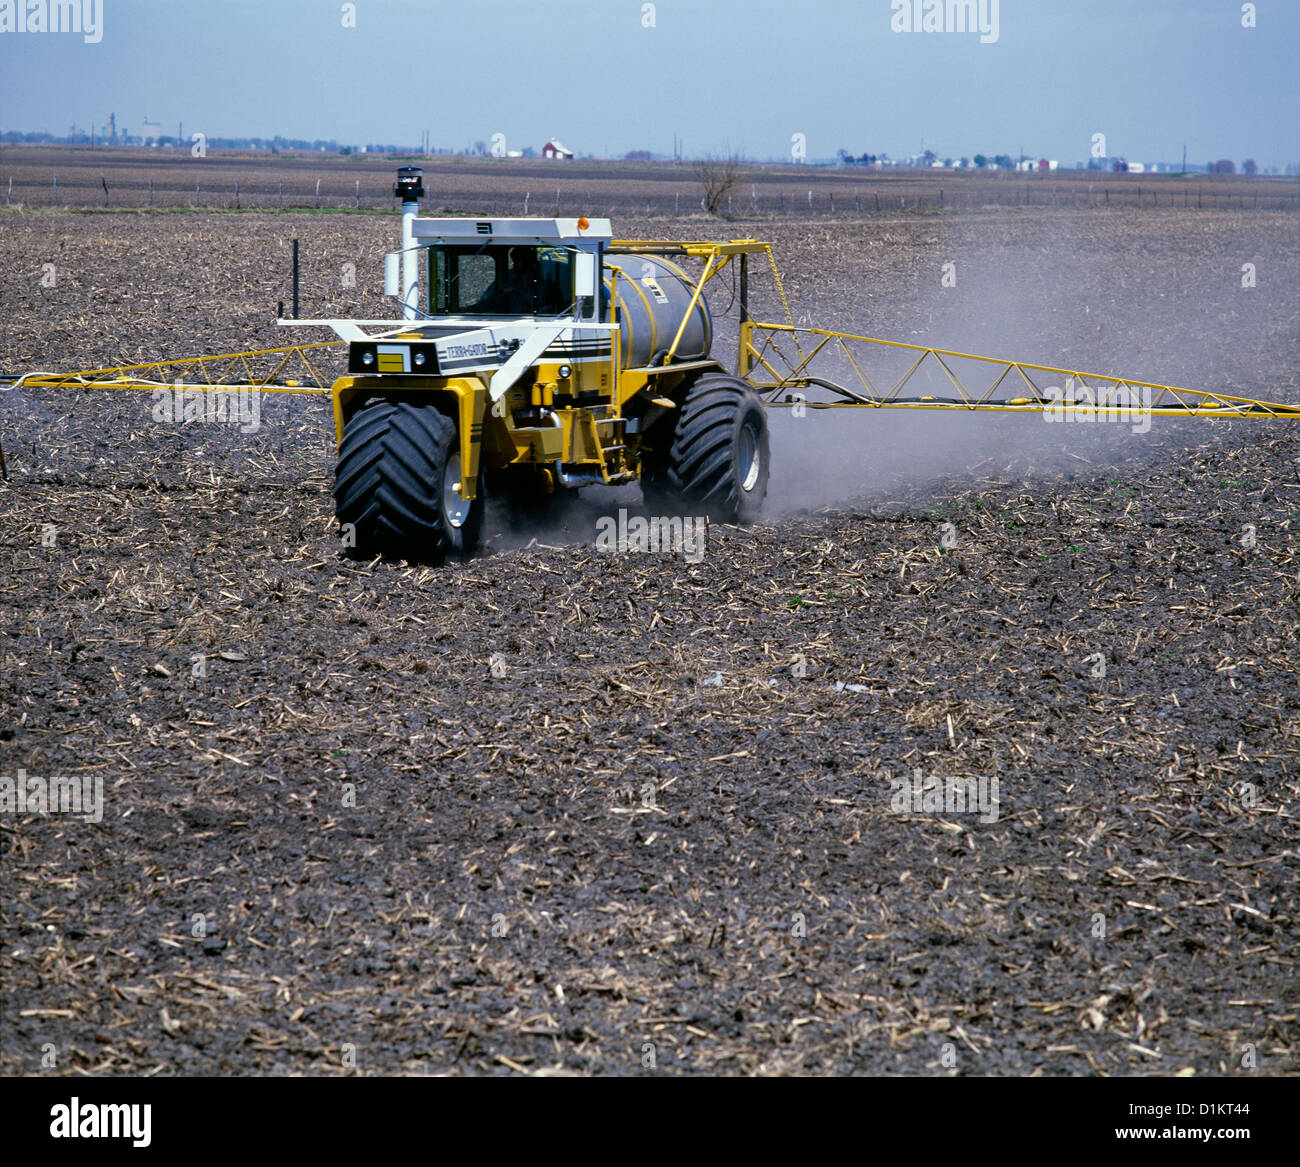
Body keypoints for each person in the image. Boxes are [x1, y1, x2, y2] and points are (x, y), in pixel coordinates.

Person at [477, 247, 561, 314]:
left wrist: (517, 293)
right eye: (514, 261)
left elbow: (546, 309)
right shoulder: (510, 282)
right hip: (507, 321)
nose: (514, 264)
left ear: (528, 262)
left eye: (517, 261)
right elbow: (491, 300)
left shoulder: (545, 286)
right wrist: (469, 310)